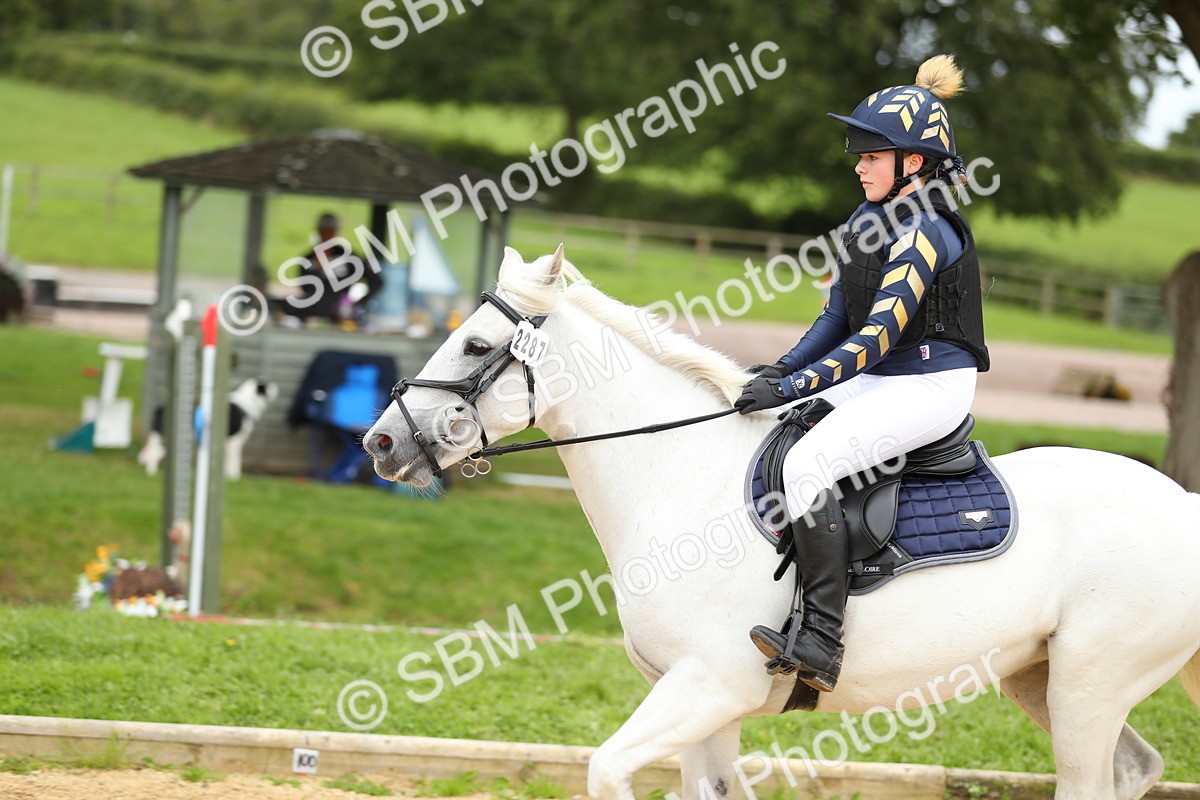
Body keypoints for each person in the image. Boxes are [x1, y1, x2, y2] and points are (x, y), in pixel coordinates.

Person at [733, 54, 990, 692]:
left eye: (872, 155)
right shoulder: (864, 220)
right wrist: (781, 370)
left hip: (928, 385)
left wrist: (793, 385)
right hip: (881, 376)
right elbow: (836, 317)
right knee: (775, 425)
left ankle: (820, 637)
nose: (858, 164)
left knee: (808, 465)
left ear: (915, 163)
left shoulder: (925, 233)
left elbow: (873, 341)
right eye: (859, 153)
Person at [292, 213, 382, 324]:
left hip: (340, 318)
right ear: (318, 231)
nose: (326, 235)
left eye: (330, 231)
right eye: (324, 231)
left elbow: (376, 281)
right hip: (312, 315)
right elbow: (305, 288)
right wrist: (318, 269)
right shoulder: (308, 259)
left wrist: (355, 303)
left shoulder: (348, 256)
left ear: (336, 232)